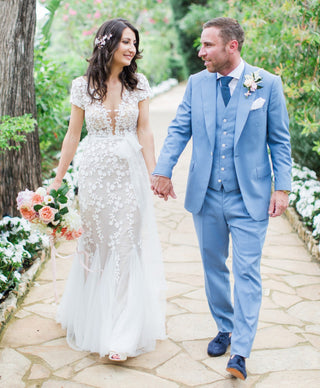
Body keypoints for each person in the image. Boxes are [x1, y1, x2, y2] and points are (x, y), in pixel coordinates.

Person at [152, 17, 291, 380]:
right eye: (201, 45)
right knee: (214, 266)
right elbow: (180, 128)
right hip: (207, 195)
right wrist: (163, 170)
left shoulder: (267, 84)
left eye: (208, 45)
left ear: (232, 46)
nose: (200, 52)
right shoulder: (197, 85)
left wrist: (282, 188)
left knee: (247, 271)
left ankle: (240, 352)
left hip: (251, 198)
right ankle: (225, 327)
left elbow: (279, 141)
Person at [49, 18, 166, 362]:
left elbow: (145, 131)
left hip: (129, 173)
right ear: (107, 43)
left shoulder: (139, 84)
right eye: (126, 41)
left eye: (134, 43)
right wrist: (57, 180)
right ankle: (91, 318)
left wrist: (154, 173)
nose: (132, 48)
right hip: (95, 173)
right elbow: (73, 135)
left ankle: (122, 331)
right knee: (96, 242)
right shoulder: (81, 86)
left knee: (126, 245)